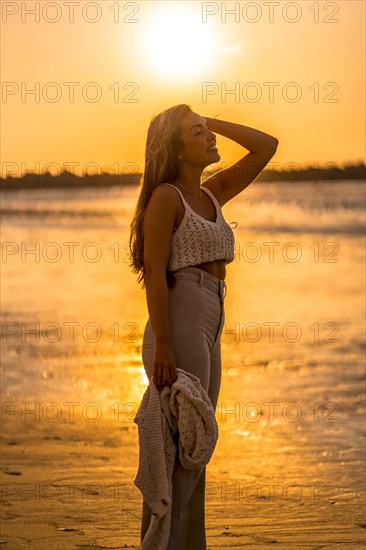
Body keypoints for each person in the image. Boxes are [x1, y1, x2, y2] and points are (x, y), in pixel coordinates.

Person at [128, 103, 278, 549]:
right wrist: (166, 347)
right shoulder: (166, 197)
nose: (210, 139)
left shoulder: (212, 193)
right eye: (198, 134)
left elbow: (266, 147)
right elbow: (155, 271)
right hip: (180, 317)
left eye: (206, 131)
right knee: (185, 449)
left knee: (197, 446)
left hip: (211, 315)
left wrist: (209, 122)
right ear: (175, 150)